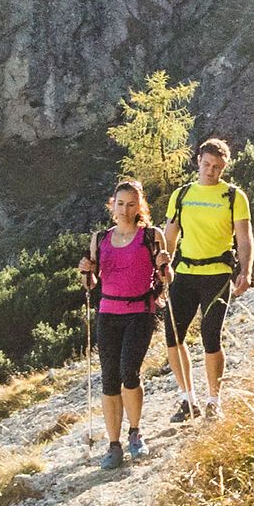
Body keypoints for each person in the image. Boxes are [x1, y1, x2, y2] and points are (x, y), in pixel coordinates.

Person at [159, 137, 254, 421]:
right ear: (198, 161)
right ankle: (187, 399)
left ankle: (214, 399)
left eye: (217, 167)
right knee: (173, 337)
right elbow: (170, 236)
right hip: (184, 274)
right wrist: (161, 268)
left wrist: (246, 271)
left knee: (210, 336)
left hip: (217, 275)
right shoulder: (182, 195)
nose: (211, 171)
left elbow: (244, 237)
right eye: (207, 165)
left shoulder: (234, 196)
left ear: (224, 168)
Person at [82, 179, 166, 468]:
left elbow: (166, 278)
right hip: (108, 314)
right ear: (112, 205)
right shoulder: (100, 239)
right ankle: (113, 445)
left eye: (131, 204)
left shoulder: (151, 237)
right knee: (108, 379)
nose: (125, 209)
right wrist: (86, 272)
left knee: (128, 371)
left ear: (139, 206)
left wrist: (166, 265)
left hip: (141, 312)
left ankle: (135, 433)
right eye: (120, 203)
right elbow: (92, 283)